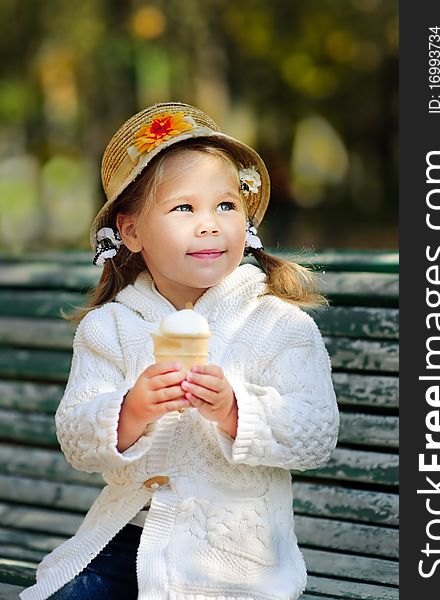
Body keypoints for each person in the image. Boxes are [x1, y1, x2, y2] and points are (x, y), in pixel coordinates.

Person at [21, 102, 339, 600]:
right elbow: (77, 438)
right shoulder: (110, 328)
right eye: (184, 208)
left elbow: (316, 433)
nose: (209, 224)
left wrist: (237, 410)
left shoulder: (277, 323)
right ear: (130, 231)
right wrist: (129, 411)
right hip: (124, 541)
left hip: (234, 558)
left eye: (226, 206)